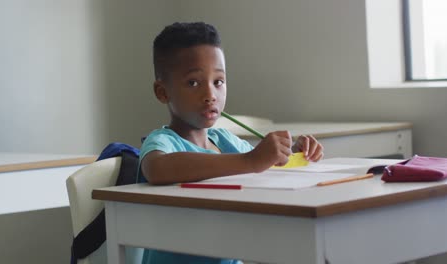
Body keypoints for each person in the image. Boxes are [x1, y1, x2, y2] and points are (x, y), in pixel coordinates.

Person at [137, 22, 324, 264]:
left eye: (218, 82)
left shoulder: (226, 142)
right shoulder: (164, 142)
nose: (211, 95)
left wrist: (294, 153)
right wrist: (250, 160)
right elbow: (157, 168)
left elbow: (265, 165)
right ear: (163, 92)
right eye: (194, 83)